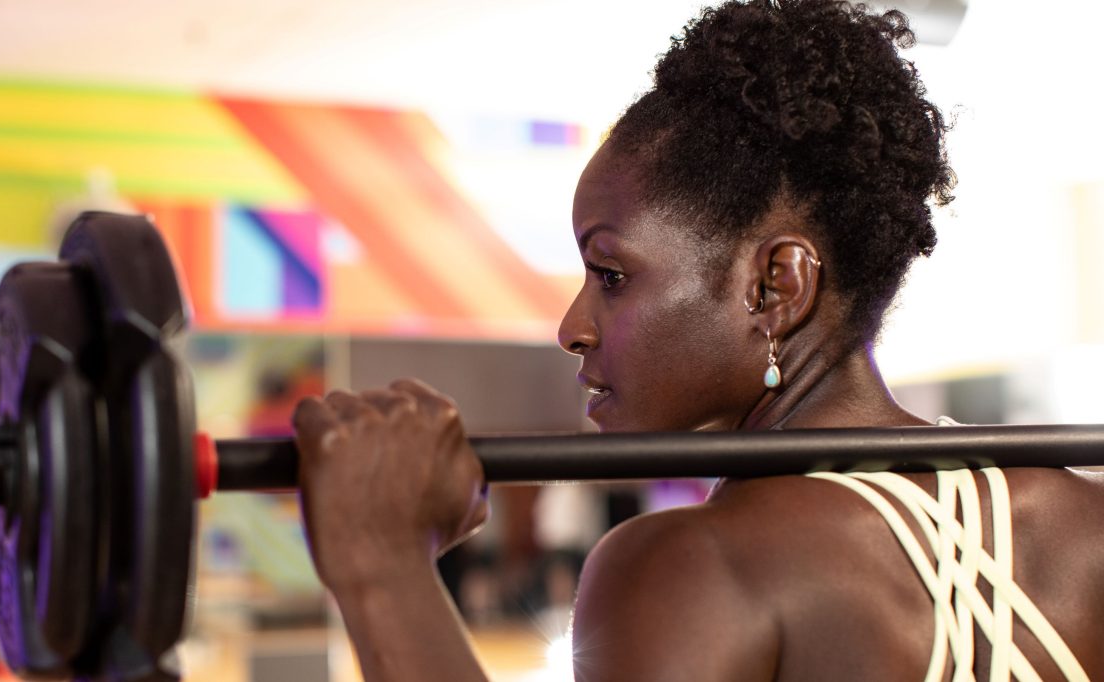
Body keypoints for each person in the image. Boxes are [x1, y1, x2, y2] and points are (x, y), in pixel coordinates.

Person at [290, 1, 1104, 679]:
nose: (572, 329)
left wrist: (384, 569)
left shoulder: (690, 566)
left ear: (775, 286)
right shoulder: (1084, 526)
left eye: (610, 274)